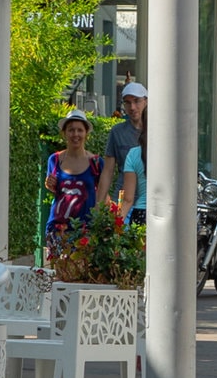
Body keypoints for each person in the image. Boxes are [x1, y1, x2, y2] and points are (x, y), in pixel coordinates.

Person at [45, 111, 101, 252]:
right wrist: (49, 185)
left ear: (86, 134)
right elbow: (56, 189)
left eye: (80, 130)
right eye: (71, 130)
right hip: (58, 228)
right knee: (60, 272)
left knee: (81, 272)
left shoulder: (96, 162)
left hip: (85, 230)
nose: (75, 134)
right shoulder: (55, 160)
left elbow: (102, 195)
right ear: (64, 134)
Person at [94, 81, 147, 211]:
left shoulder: (157, 131)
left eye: (136, 101)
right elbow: (108, 171)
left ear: (146, 101)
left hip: (147, 201)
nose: (132, 107)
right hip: (122, 202)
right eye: (127, 102)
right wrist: (98, 207)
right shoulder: (117, 132)